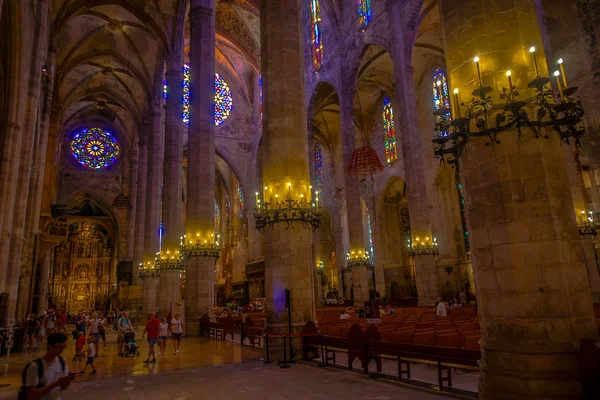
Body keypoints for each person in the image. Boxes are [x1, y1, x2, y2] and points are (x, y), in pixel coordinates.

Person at [21, 332, 74, 400]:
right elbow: (31, 395)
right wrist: (55, 384)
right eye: (58, 347)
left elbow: (64, 387)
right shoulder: (35, 367)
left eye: (63, 348)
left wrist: (68, 379)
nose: (61, 351)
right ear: (49, 346)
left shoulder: (62, 362)